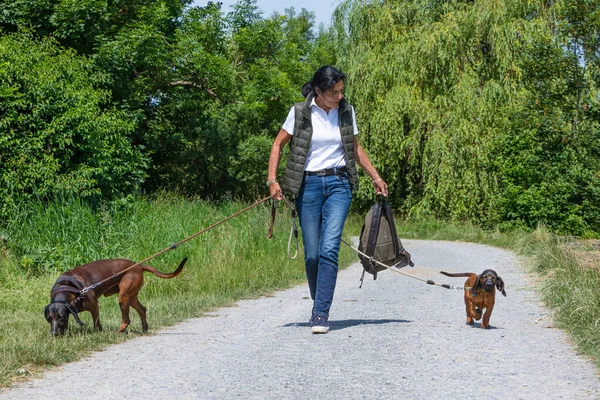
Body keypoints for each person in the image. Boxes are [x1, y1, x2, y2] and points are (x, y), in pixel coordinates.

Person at [267, 66, 388, 334]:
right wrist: (273, 181)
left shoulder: (346, 111)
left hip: (339, 184)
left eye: (342, 91)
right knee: (312, 255)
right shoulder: (300, 112)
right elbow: (278, 144)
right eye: (335, 92)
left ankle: (320, 312)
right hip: (307, 185)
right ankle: (319, 299)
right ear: (319, 92)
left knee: (329, 248)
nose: (340, 96)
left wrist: (375, 177)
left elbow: (355, 147)